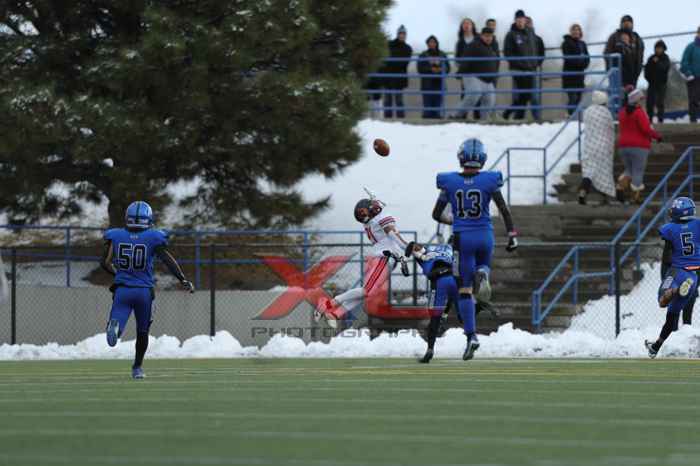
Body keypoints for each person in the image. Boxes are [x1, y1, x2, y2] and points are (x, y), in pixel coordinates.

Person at [432, 139, 519, 360]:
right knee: (483, 265)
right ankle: (483, 272)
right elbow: (504, 209)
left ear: (461, 157)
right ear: (483, 158)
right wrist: (512, 235)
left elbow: (436, 214)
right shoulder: (490, 180)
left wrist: (453, 220)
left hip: (463, 238)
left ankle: (471, 336)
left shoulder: (449, 182)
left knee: (464, 290)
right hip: (485, 235)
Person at [100, 201, 195, 379]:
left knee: (118, 319)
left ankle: (115, 328)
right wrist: (182, 279)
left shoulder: (116, 235)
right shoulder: (153, 237)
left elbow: (104, 263)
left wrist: (118, 273)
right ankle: (137, 368)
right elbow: (167, 260)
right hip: (144, 292)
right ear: (148, 219)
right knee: (142, 332)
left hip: (123, 291)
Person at [316, 194, 411, 328]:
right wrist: (408, 247)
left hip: (386, 259)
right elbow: (392, 234)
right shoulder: (379, 219)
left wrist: (375, 202)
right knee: (367, 291)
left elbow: (378, 215)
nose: (372, 209)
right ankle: (328, 304)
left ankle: (336, 314)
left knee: (366, 292)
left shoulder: (372, 221)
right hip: (383, 258)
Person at [645, 197, 700, 358]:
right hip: (693, 276)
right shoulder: (697, 224)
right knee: (672, 315)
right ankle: (655, 347)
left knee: (662, 302)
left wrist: (666, 277)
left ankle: (673, 290)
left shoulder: (670, 229)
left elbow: (667, 258)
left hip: (677, 271)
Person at [404, 241, 459, 364]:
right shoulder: (450, 252)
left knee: (434, 318)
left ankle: (430, 349)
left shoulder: (427, 253)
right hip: (453, 279)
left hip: (438, 282)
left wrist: (405, 259)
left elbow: (411, 245)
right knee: (462, 311)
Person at [616, 89, 662, 204]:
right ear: (637, 100)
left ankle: (620, 187)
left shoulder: (622, 112)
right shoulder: (639, 112)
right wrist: (657, 136)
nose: (643, 101)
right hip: (639, 147)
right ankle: (635, 197)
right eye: (641, 99)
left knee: (629, 170)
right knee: (638, 171)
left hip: (623, 146)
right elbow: (646, 129)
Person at [578, 91, 616, 205]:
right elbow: (610, 128)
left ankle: (583, 191)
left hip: (590, 145)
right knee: (604, 171)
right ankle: (604, 197)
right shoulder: (606, 113)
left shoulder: (587, 111)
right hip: (603, 146)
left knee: (589, 171)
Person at [453, 28, 499, 120]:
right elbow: (466, 58)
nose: (488, 38)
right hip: (474, 76)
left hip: (488, 79)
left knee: (490, 100)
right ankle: (456, 115)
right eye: (486, 36)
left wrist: (494, 76)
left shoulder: (491, 47)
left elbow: (495, 63)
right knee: (474, 95)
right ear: (481, 36)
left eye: (490, 36)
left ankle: (484, 120)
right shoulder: (474, 45)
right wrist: (460, 73)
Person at [503, 10, 538, 120]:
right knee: (525, 94)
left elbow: (534, 49)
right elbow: (507, 53)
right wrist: (520, 63)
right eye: (518, 19)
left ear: (525, 20)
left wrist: (534, 63)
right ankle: (510, 113)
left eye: (522, 19)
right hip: (518, 69)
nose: (520, 21)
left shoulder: (530, 32)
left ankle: (516, 117)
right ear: (515, 20)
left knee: (526, 95)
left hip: (530, 69)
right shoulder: (511, 34)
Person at [379, 25, 413, 119]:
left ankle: (400, 120)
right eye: (400, 33)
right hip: (388, 77)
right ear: (397, 34)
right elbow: (384, 59)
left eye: (404, 34)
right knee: (387, 100)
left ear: (406, 35)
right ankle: (388, 119)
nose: (402, 35)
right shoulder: (389, 45)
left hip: (399, 77)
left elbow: (404, 62)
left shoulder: (407, 48)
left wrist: (391, 61)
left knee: (399, 100)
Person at [604, 15, 644, 87]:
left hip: (632, 76)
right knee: (616, 93)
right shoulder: (614, 37)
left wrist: (638, 72)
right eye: (624, 22)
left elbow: (640, 57)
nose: (626, 23)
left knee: (631, 93)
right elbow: (607, 54)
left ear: (632, 24)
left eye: (629, 22)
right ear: (621, 24)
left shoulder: (637, 38)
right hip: (617, 74)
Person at [561, 24, 590, 115]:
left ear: (580, 32)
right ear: (571, 32)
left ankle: (575, 117)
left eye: (578, 30)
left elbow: (587, 57)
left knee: (578, 98)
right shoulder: (566, 43)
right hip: (570, 75)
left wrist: (584, 64)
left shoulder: (582, 44)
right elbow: (568, 58)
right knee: (572, 97)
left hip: (580, 75)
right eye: (574, 30)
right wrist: (580, 62)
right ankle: (570, 116)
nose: (576, 32)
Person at [418, 35, 450, 119]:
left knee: (437, 110)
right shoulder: (423, 55)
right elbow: (420, 68)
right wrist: (431, 69)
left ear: (436, 43)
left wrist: (440, 69)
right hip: (427, 84)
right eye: (430, 42)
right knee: (427, 110)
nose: (432, 44)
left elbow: (448, 68)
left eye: (433, 42)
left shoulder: (442, 54)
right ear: (427, 44)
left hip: (439, 84)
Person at [455, 18, 478, 115]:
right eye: (464, 24)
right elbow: (457, 59)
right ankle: (462, 116)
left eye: (468, 23)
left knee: (478, 94)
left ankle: (478, 116)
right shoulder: (460, 42)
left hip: (478, 71)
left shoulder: (478, 39)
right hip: (465, 72)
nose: (466, 25)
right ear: (461, 27)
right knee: (465, 93)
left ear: (472, 26)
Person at [644, 40, 671, 123]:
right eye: (657, 48)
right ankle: (649, 119)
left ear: (663, 49)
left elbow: (665, 68)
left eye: (660, 48)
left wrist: (657, 62)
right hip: (652, 83)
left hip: (662, 84)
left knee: (660, 102)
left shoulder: (665, 58)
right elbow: (646, 70)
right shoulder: (651, 58)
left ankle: (660, 120)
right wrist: (649, 79)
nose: (658, 50)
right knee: (650, 102)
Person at [526, 16, 546, 120]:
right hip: (520, 70)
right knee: (519, 96)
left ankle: (536, 118)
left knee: (534, 96)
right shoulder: (518, 38)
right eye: (526, 22)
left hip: (533, 70)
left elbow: (542, 54)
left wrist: (536, 64)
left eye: (529, 22)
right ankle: (518, 118)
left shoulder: (538, 39)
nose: (527, 24)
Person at [680, 26, 700, 123]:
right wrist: (688, 73)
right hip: (694, 79)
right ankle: (693, 121)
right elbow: (684, 62)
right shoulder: (691, 47)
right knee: (694, 100)